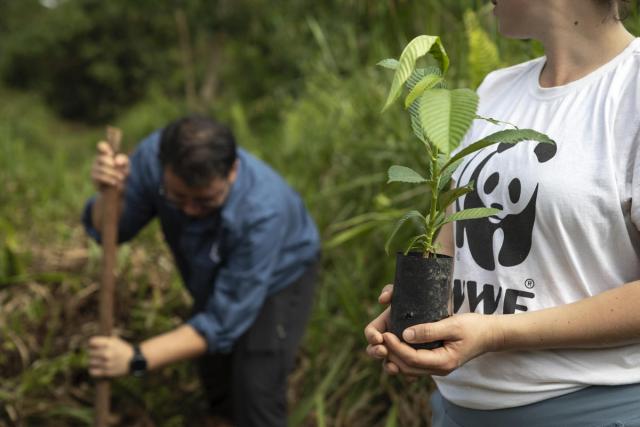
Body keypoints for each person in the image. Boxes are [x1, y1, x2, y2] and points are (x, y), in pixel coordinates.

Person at [365, 0, 640, 425]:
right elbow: (454, 232)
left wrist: (497, 333)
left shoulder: (630, 87)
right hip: (458, 407)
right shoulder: (496, 88)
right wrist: (416, 314)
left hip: (587, 408)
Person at [84, 115, 320, 427]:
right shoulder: (151, 160)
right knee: (214, 371)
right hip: (212, 268)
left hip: (282, 274)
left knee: (255, 387)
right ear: (163, 167)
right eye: (178, 198)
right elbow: (110, 230)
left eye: (205, 201)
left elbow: (222, 321)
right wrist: (109, 192)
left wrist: (136, 358)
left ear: (233, 170)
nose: (190, 211)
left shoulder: (262, 211)